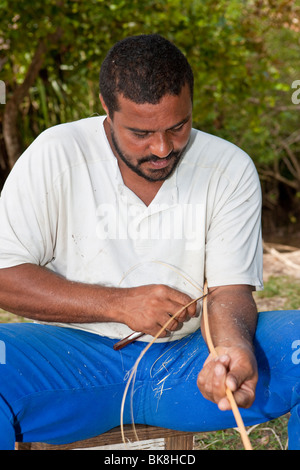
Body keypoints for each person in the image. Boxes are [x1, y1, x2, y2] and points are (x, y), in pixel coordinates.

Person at [0, 34, 299, 450]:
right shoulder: (56, 154)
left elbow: (230, 290)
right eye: (140, 132)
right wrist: (118, 304)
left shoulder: (228, 168)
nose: (162, 148)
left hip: (188, 364)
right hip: (71, 362)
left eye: (178, 126)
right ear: (106, 108)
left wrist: (230, 349)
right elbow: (4, 277)